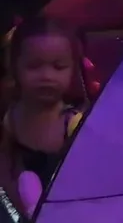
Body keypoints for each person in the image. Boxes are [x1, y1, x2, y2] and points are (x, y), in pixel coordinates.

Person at [0, 17, 88, 212]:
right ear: (14, 67)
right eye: (34, 66)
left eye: (58, 67)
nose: (47, 76)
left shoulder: (73, 124)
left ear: (73, 69)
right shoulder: (11, 117)